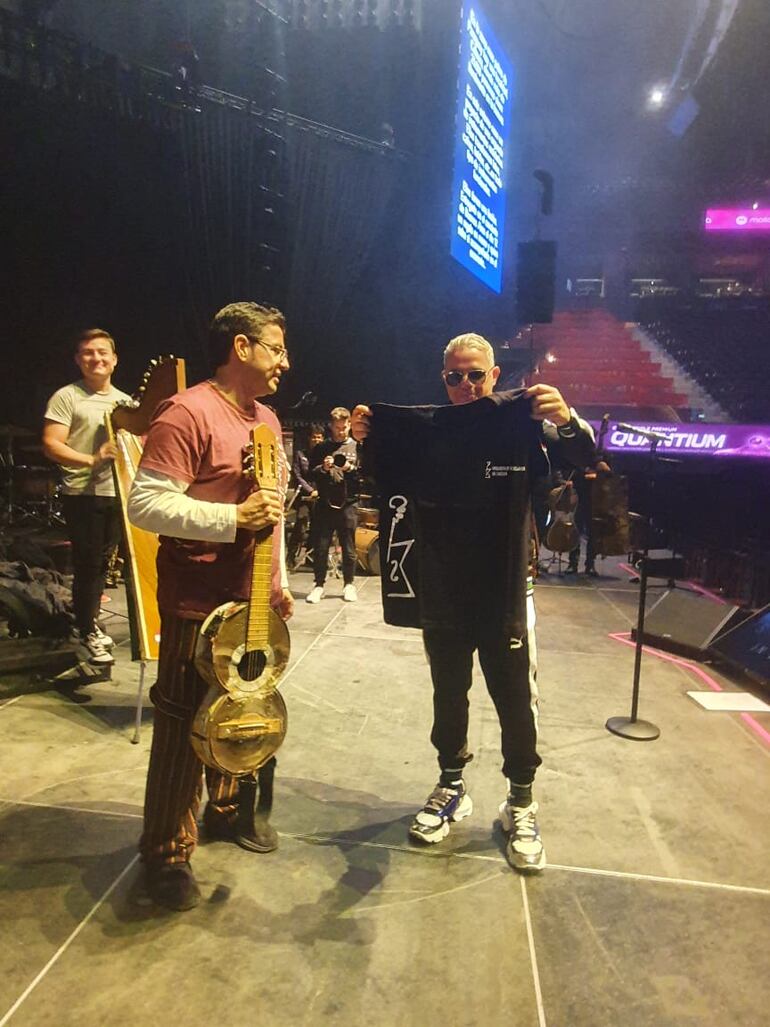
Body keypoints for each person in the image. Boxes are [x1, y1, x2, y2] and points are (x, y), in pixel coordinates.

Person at [351, 333, 595, 874]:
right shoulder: (427, 433)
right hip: (444, 588)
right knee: (449, 691)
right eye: (453, 377)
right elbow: (381, 474)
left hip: (505, 587)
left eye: (475, 375)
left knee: (514, 696)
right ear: (443, 379)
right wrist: (368, 438)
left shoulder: (522, 419)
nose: (465, 386)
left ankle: (521, 802)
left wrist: (570, 418)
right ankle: (451, 784)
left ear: (495, 373)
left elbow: (584, 455)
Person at [127, 302, 293, 912]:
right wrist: (230, 518)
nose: (284, 360)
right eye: (275, 347)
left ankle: (226, 812)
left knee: (241, 709)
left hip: (249, 601)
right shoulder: (187, 412)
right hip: (195, 601)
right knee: (180, 719)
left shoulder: (268, 420)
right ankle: (166, 852)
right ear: (242, 347)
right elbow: (145, 505)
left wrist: (275, 585)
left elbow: (270, 511)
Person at [42, 328, 132, 665]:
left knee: (104, 567)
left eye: (101, 352)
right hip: (83, 492)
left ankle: (89, 620)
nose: (95, 358)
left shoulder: (126, 402)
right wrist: (91, 460)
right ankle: (85, 629)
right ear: (78, 360)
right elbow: (51, 444)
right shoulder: (67, 396)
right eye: (87, 353)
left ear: (114, 359)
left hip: (118, 493)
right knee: (89, 565)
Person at [306, 407, 359, 604]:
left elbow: (365, 476)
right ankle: (318, 585)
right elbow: (310, 473)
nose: (341, 431)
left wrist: (349, 468)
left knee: (349, 547)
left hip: (348, 504)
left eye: (344, 427)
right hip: (325, 504)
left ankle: (349, 584)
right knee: (321, 547)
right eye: (337, 427)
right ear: (331, 426)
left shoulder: (357, 447)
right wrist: (323, 467)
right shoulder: (321, 448)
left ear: (350, 425)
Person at [287, 422, 324, 569]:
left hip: (320, 495)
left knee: (317, 527)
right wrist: (310, 490)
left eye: (319, 437)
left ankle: (311, 558)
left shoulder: (324, 454)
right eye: (314, 437)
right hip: (303, 495)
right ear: (309, 438)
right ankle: (291, 556)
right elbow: (297, 475)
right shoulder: (300, 454)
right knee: (301, 525)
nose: (317, 440)